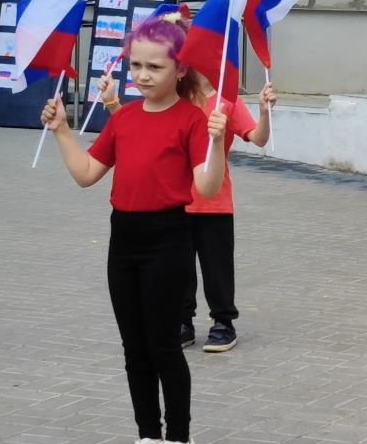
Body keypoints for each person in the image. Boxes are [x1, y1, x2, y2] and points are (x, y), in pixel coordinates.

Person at [41, 15, 228, 444]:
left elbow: (205, 188)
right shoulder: (123, 117)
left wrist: (218, 142)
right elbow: (87, 173)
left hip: (168, 239)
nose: (142, 76)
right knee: (134, 346)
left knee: (164, 344)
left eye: (155, 68)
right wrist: (63, 131)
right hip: (122, 240)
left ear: (180, 70)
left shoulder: (191, 119)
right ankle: (148, 435)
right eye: (136, 65)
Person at [98, 59, 277, 354]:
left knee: (216, 267)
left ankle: (223, 322)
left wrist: (263, 111)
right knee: (179, 269)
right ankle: (183, 322)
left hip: (214, 202)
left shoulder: (226, 102)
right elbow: (139, 128)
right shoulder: (176, 101)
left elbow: (258, 138)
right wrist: (113, 103)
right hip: (176, 202)